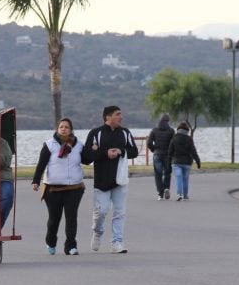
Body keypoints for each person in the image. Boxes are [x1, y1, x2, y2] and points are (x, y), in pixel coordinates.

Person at [83, 105, 139, 254]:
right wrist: (105, 153)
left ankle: (117, 242)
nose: (121, 117)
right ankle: (97, 232)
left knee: (119, 212)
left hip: (120, 180)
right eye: (117, 114)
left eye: (120, 114)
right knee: (101, 212)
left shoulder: (125, 133)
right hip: (101, 182)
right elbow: (86, 157)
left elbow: (134, 151)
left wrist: (121, 151)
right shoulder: (96, 133)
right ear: (107, 117)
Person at [32, 118, 86, 255]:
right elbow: (41, 164)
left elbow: (87, 159)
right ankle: (51, 241)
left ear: (71, 130)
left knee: (71, 217)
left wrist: (95, 150)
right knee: (54, 219)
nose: (64, 129)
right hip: (53, 189)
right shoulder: (49, 145)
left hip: (74, 188)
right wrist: (36, 181)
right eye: (61, 127)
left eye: (67, 127)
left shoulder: (79, 145)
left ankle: (71, 246)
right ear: (57, 129)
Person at [167, 121, 201, 201]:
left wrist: (168, 163)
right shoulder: (189, 139)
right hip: (187, 163)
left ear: (178, 129)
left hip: (176, 162)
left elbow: (170, 152)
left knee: (179, 178)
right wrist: (198, 161)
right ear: (187, 130)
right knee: (185, 179)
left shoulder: (174, 138)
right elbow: (193, 151)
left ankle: (179, 194)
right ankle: (185, 195)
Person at [147, 113, 175, 200]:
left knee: (158, 174)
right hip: (167, 154)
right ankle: (166, 188)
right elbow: (173, 143)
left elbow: (149, 143)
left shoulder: (154, 130)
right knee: (167, 172)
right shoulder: (171, 131)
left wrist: (153, 149)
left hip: (157, 154)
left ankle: (160, 193)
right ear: (168, 121)